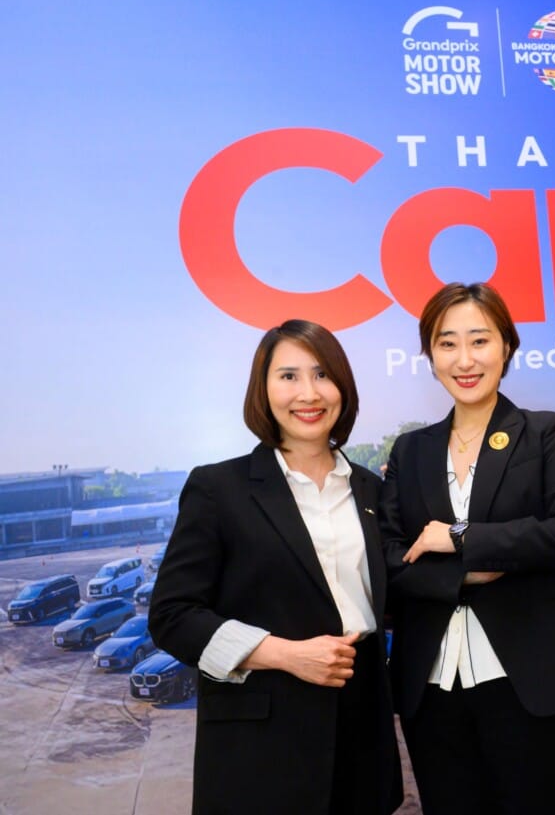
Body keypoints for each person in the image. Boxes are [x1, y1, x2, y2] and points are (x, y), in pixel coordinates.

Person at [148, 320, 403, 815]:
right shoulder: (218, 489)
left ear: (343, 388)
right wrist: (284, 654)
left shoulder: (374, 490)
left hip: (362, 736)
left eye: (322, 374)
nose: (308, 393)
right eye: (288, 376)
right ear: (263, 391)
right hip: (260, 748)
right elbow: (172, 616)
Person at [379, 282, 555, 814]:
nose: (465, 359)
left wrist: (460, 538)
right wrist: (471, 572)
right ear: (430, 355)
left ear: (506, 346)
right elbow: (390, 559)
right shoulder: (410, 451)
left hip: (526, 680)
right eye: (447, 343)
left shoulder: (543, 433)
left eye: (479, 340)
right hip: (431, 685)